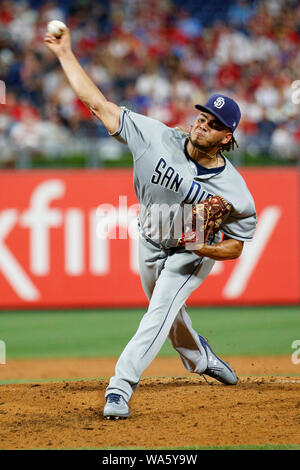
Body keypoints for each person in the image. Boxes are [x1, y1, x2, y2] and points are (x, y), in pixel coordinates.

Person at [44, 27, 257, 420]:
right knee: (168, 316)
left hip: (189, 254)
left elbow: (237, 245)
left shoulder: (235, 192)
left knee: (157, 313)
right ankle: (201, 356)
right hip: (150, 240)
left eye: (213, 124)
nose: (201, 125)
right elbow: (96, 102)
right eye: (202, 117)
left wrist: (203, 248)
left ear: (228, 137)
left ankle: (119, 388)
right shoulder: (154, 137)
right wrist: (65, 54)